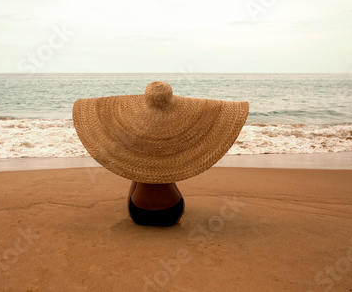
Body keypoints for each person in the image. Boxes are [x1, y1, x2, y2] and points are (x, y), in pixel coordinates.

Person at [72, 81, 249, 226]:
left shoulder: (134, 130)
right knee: (169, 171)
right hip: (172, 213)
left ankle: (143, 178)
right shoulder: (180, 126)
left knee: (137, 174)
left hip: (138, 213)